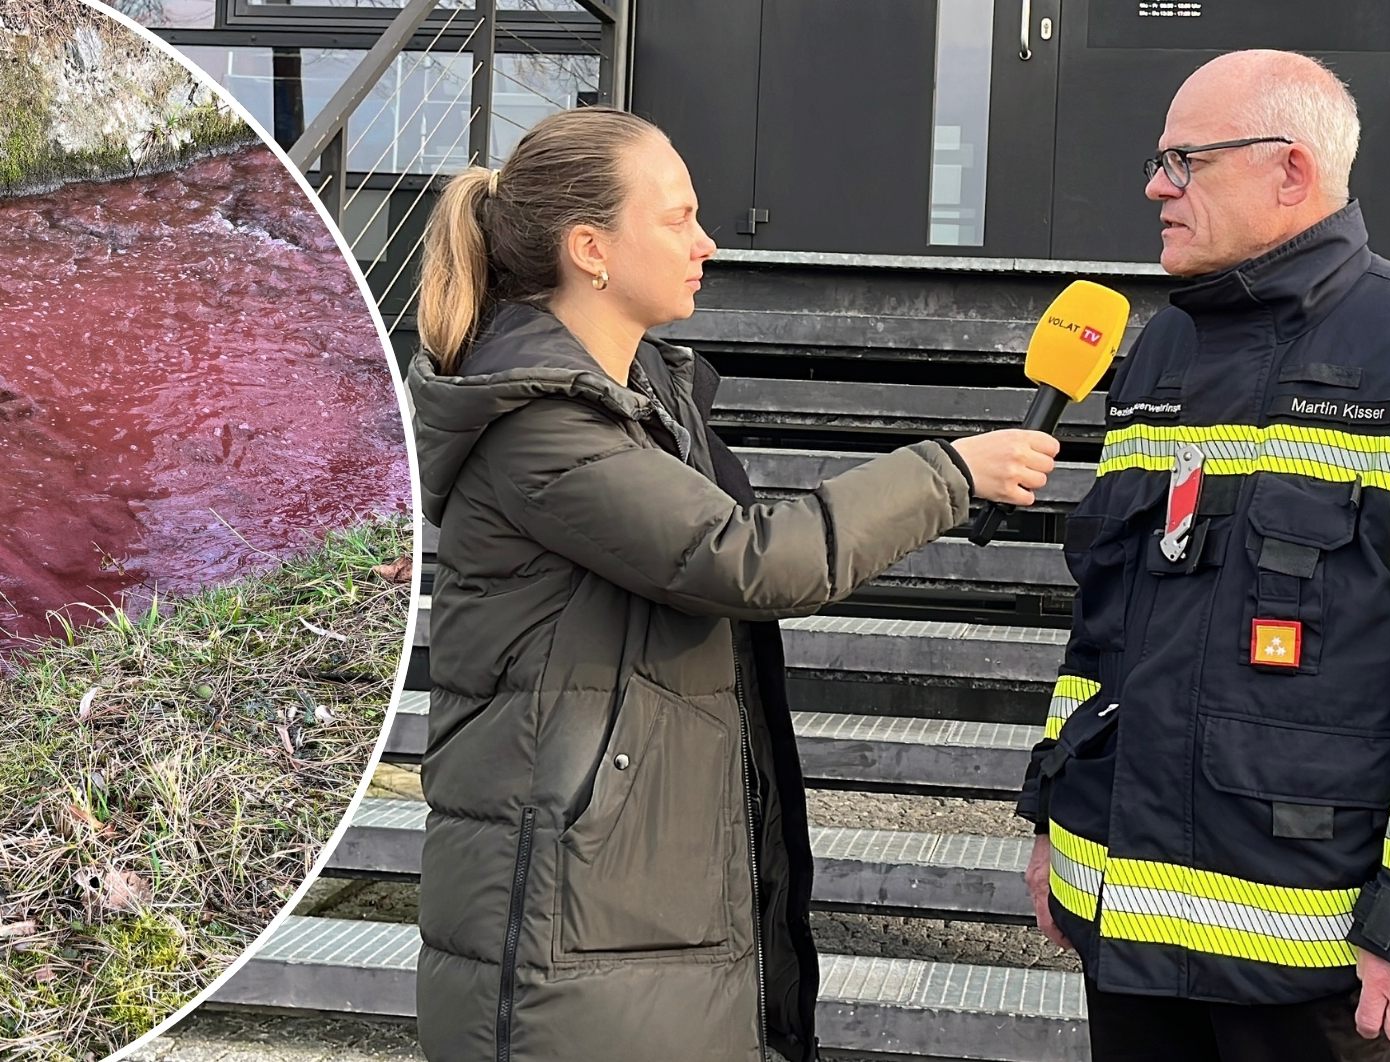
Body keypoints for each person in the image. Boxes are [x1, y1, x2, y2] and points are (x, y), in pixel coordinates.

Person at [406, 107, 1058, 1062]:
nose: (707, 243)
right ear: (591, 248)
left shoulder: (648, 402)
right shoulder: (538, 428)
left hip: (638, 898)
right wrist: (950, 474)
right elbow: (749, 557)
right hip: (571, 915)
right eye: (676, 219)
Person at [1017, 49, 1390, 1061]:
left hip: (1314, 963)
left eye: (1184, 160)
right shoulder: (1157, 351)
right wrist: (1055, 824)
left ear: (1290, 171)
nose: (1155, 186)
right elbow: (1105, 621)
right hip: (1125, 934)